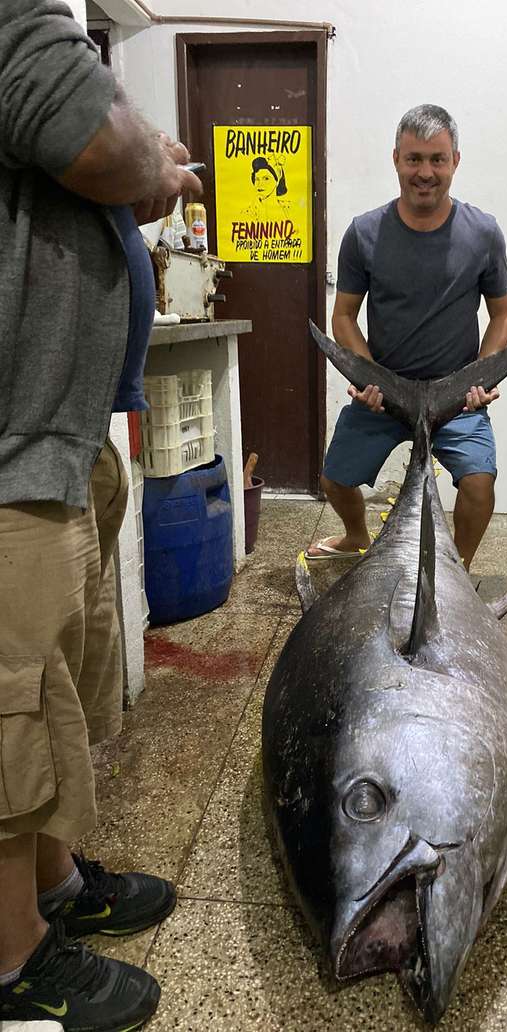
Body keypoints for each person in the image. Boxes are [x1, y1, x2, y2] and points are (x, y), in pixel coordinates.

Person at [0, 2, 202, 1029]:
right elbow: (86, 134)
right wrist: (154, 168)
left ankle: (51, 890)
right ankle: (11, 966)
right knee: (7, 707)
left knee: (49, 694)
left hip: (61, 430)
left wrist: (131, 154)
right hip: (12, 438)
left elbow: (86, 127)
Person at [305, 103, 507, 569]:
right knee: (335, 479)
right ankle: (356, 536)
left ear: (455, 161)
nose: (425, 172)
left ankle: (456, 568)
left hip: (456, 396)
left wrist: (479, 376)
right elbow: (342, 316)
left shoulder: (483, 233)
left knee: (479, 484)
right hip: (386, 392)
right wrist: (367, 376)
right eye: (414, 159)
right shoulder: (363, 233)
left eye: (437, 159)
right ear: (396, 159)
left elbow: (502, 315)